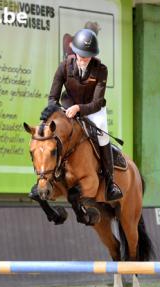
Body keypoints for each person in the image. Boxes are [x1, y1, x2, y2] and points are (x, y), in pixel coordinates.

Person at [48, 28, 122, 201]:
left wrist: (79, 109)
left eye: (87, 56)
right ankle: (48, 177)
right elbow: (52, 98)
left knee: (102, 134)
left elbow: (97, 102)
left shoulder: (101, 70)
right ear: (74, 51)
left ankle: (110, 182)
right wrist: (58, 112)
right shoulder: (64, 66)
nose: (83, 59)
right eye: (81, 55)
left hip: (93, 109)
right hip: (67, 108)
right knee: (51, 133)